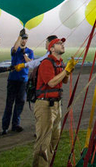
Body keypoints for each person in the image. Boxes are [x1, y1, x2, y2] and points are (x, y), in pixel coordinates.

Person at [33, 36, 75, 167]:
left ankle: (47, 164)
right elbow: (51, 82)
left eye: (62, 43)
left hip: (56, 104)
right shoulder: (46, 63)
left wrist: (68, 72)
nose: (62, 45)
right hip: (45, 104)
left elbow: (64, 81)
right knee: (43, 140)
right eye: (58, 43)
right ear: (51, 48)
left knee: (54, 139)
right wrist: (66, 71)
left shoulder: (59, 63)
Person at [2, 30, 34, 135]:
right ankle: (5, 126)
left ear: (27, 40)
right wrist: (19, 37)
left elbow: (31, 63)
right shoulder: (15, 49)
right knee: (9, 103)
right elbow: (14, 50)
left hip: (23, 80)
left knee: (20, 102)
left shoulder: (30, 51)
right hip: (13, 79)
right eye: (22, 38)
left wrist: (25, 56)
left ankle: (15, 124)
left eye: (25, 38)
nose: (23, 40)